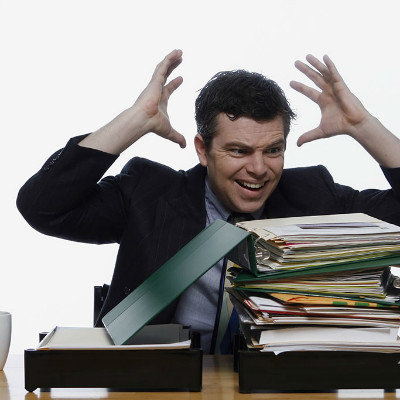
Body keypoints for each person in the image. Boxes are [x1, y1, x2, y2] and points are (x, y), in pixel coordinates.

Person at [17, 49, 400, 353]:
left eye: (273, 150)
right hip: (159, 383)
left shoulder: (313, 196)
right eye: (238, 151)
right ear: (202, 149)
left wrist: (363, 126)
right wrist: (135, 120)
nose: (258, 169)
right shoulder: (149, 195)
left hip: (281, 384)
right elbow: (43, 206)